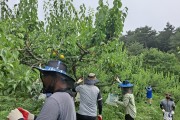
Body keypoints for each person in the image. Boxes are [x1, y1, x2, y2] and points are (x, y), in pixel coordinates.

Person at [7, 60, 76, 120]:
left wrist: (18, 119)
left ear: (55, 77)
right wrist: (33, 117)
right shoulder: (67, 96)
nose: (43, 79)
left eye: (45, 75)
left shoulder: (55, 99)